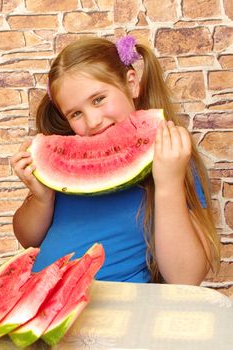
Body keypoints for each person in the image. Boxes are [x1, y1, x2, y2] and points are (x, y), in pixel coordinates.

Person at [11, 36, 220, 285]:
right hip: (43, 306)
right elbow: (28, 239)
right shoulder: (73, 169)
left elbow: (185, 278)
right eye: (75, 113)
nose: (92, 121)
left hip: (115, 313)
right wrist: (41, 198)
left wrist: (168, 184)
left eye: (99, 99)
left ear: (131, 83)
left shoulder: (173, 158)